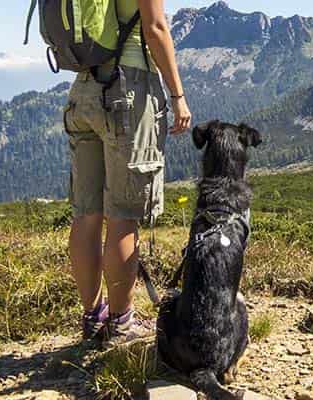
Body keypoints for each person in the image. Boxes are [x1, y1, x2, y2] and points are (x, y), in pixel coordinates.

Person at [63, 0, 192, 343]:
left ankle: (93, 317)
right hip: (127, 92)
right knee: (123, 215)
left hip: (82, 92)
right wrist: (177, 95)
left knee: (86, 215)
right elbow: (155, 28)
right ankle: (121, 324)